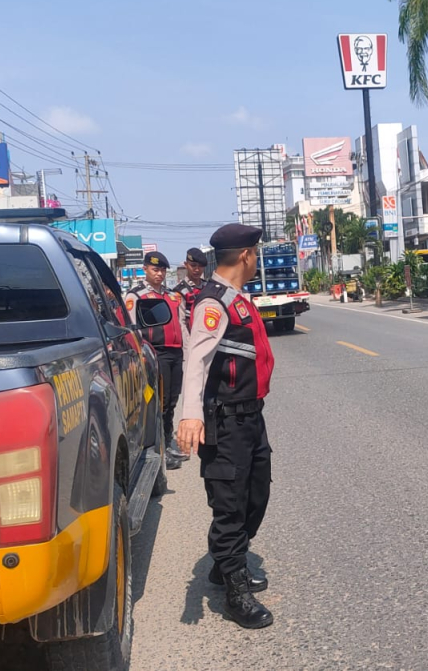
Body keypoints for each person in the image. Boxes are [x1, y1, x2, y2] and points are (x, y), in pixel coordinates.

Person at [177, 223, 276, 629]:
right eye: (256, 254)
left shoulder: (238, 298)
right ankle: (235, 591)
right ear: (246, 256)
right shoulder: (213, 303)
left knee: (256, 494)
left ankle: (225, 563)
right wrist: (190, 414)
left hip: (251, 416)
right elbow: (196, 361)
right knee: (230, 505)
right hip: (227, 421)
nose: (257, 260)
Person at [125, 252, 189, 469]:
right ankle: (159, 449)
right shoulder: (137, 296)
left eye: (162, 270)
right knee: (159, 402)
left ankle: (167, 443)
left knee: (171, 401)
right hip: (155, 353)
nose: (159, 274)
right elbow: (132, 330)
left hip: (175, 353)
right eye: (155, 269)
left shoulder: (172, 296)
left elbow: (181, 325)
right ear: (145, 269)